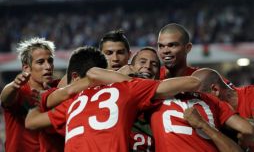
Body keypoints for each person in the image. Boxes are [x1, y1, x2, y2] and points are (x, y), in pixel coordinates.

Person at [25, 46, 201, 152]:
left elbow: (32, 121)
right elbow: (192, 82)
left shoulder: (78, 98)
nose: (147, 67)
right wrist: (134, 81)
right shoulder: (130, 88)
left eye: (154, 63)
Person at [122, 47, 247, 152]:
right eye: (142, 62)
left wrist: (203, 125)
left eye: (154, 64)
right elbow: (247, 130)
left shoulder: (155, 99)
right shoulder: (208, 98)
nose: (148, 66)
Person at [0, 37, 63, 152]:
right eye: (40, 62)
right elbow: (5, 99)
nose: (48, 66)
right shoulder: (20, 91)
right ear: (26, 68)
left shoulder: (58, 88)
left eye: (50, 61)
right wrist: (14, 85)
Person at [191, 67, 254, 150]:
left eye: (202, 98)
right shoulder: (211, 114)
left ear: (215, 89)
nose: (200, 103)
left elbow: (248, 132)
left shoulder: (251, 96)